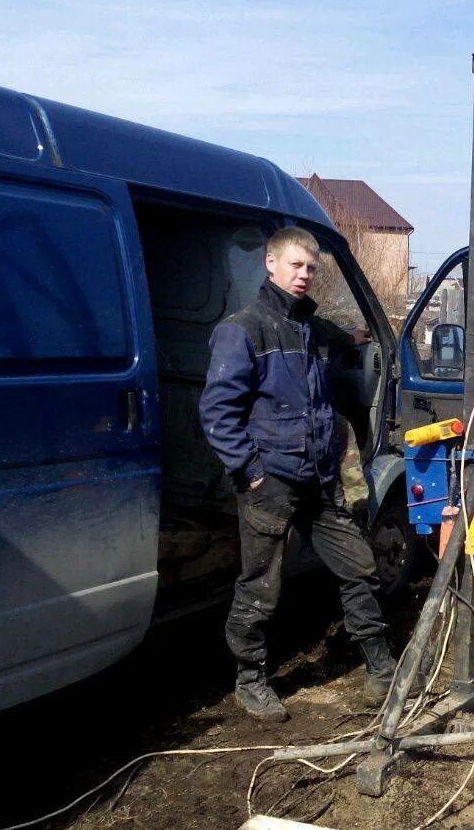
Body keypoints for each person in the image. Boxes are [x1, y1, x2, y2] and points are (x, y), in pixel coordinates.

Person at [199, 226, 397, 722]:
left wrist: (360, 336)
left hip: (319, 475)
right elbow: (218, 413)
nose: (304, 274)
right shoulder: (243, 329)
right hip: (271, 481)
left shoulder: (308, 328)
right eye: (295, 265)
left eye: (311, 267)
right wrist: (253, 473)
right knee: (261, 585)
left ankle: (379, 665)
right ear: (270, 264)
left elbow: (337, 339)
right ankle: (250, 680)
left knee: (359, 566)